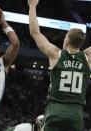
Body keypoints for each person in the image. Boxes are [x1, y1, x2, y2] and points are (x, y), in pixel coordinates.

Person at [28, 0, 91, 131]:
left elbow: (35, 33)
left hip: (56, 109)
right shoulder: (88, 58)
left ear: (67, 40)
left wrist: (32, 6)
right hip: (76, 113)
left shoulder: (56, 54)